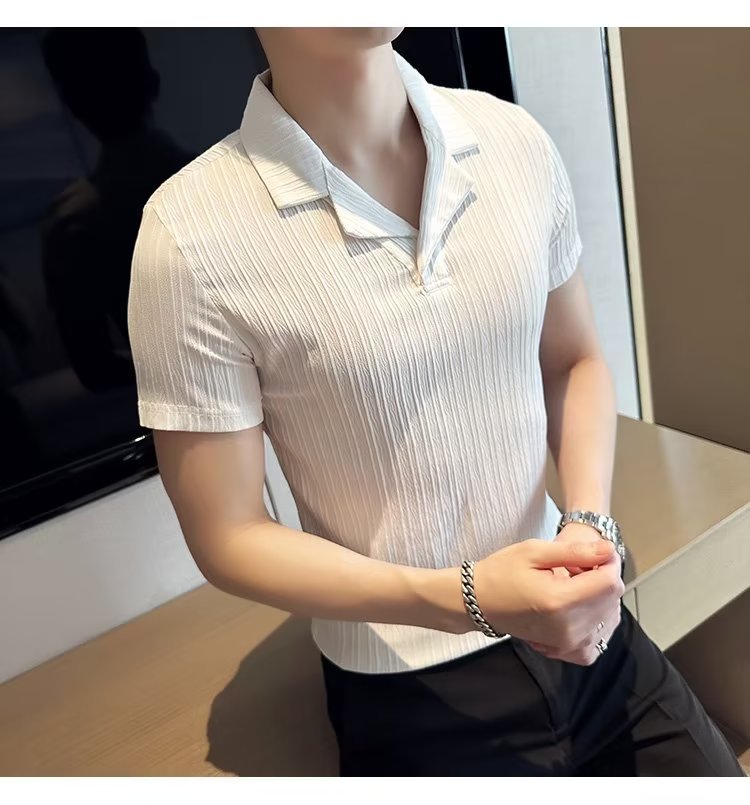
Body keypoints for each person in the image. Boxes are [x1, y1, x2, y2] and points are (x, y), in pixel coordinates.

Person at [126, 28, 743, 776]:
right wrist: (467, 596)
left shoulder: (511, 139)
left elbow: (572, 360)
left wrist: (589, 522)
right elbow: (227, 534)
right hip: (408, 688)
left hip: (586, 620)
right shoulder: (188, 235)